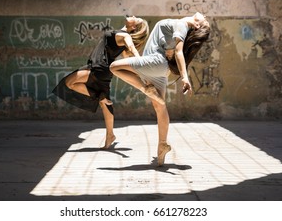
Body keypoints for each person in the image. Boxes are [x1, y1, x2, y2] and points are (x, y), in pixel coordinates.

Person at [110, 12, 210, 166]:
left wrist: (184, 77)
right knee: (160, 106)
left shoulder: (182, 25)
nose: (204, 15)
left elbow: (178, 52)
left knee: (114, 67)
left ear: (196, 25)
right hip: (160, 69)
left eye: (204, 20)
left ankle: (145, 89)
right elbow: (172, 51)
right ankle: (162, 147)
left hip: (154, 62)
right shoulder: (178, 26)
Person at [53, 16, 149, 149]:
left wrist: (141, 63)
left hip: (98, 67)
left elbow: (132, 50)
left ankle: (99, 97)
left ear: (133, 27)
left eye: (136, 19)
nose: (133, 16)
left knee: (69, 83)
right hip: (105, 70)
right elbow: (127, 58)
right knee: (106, 105)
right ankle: (110, 135)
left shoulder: (126, 36)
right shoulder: (121, 35)